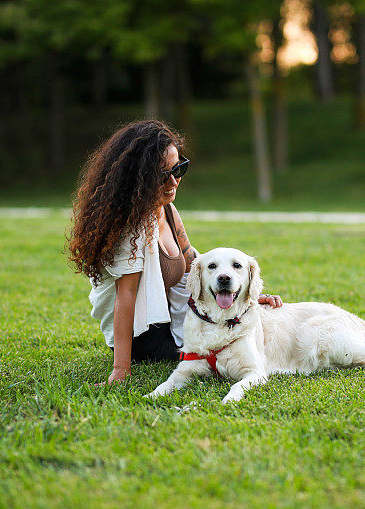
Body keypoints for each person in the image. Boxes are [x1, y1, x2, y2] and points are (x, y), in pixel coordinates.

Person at [67, 120, 282, 384]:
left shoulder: (166, 209)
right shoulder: (130, 229)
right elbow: (126, 295)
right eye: (160, 176)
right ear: (138, 179)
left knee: (256, 319)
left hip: (172, 316)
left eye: (178, 169)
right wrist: (121, 369)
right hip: (144, 335)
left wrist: (242, 295)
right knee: (220, 346)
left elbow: (192, 261)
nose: (173, 181)